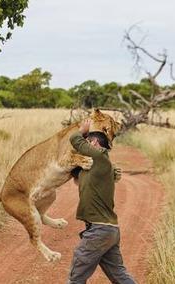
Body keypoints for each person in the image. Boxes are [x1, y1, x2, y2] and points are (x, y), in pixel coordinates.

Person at [67, 120, 135, 284]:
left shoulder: (99, 156)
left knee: (76, 277)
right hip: (109, 230)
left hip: (99, 230)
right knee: (119, 275)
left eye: (88, 142)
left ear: (94, 143)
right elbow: (76, 175)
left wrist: (82, 131)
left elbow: (75, 140)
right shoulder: (96, 166)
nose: (86, 145)